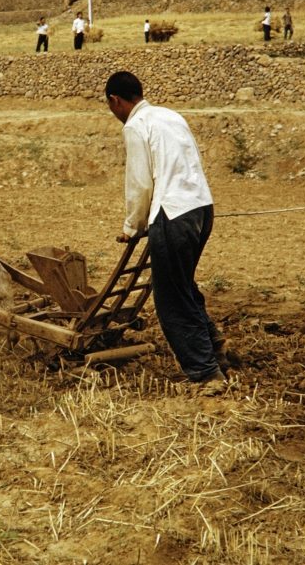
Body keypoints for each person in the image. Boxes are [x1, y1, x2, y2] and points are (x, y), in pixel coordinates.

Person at [104, 71, 227, 388]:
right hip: (202, 208)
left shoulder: (135, 125)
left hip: (172, 214)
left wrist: (132, 226)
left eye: (110, 107)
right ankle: (212, 342)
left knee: (169, 298)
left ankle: (205, 374)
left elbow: (140, 183)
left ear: (115, 101)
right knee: (182, 283)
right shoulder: (171, 115)